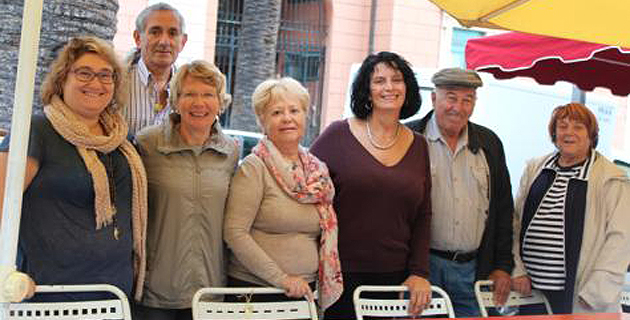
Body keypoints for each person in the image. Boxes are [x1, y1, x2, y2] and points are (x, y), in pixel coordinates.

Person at [0, 36, 147, 301]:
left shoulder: (122, 140)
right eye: (84, 73)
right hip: (48, 295)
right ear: (61, 79)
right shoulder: (35, 131)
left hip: (113, 295)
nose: (96, 83)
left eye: (106, 75)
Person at [310, 51, 432, 319]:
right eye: (379, 81)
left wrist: (419, 272)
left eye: (396, 80)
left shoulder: (420, 145)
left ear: (407, 88)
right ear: (367, 91)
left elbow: (423, 214)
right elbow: (304, 185)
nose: (389, 87)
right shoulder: (337, 135)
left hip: (397, 281)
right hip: (340, 276)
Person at [223, 77, 342, 310]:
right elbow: (234, 233)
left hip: (305, 291)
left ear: (305, 116)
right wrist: (282, 278)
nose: (287, 118)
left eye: (294, 110)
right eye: (276, 112)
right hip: (255, 293)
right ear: (262, 121)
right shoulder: (254, 167)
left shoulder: (317, 171)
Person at [134, 60, 238, 320]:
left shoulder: (231, 150)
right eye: (189, 94)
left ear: (219, 101)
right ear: (176, 99)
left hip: (210, 290)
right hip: (156, 292)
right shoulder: (147, 143)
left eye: (208, 94)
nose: (199, 103)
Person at [405, 67, 514, 317]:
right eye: (451, 97)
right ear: (434, 98)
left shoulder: (489, 143)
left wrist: (502, 266)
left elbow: (503, 210)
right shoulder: (409, 138)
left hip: (473, 270)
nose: (459, 107)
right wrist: (412, 270)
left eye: (468, 100)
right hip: (423, 269)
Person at [511, 102, 630, 314]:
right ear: (554, 132)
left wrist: (595, 292)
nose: (569, 132)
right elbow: (515, 222)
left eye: (578, 127)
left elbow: (621, 239)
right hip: (530, 293)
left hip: (580, 297)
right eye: (562, 126)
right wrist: (517, 270)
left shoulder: (612, 178)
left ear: (591, 135)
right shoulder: (535, 168)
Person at [125, 2, 188, 136]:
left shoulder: (190, 88)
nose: (164, 41)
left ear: (183, 42)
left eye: (172, 33)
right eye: (155, 32)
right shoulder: (116, 83)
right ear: (138, 38)